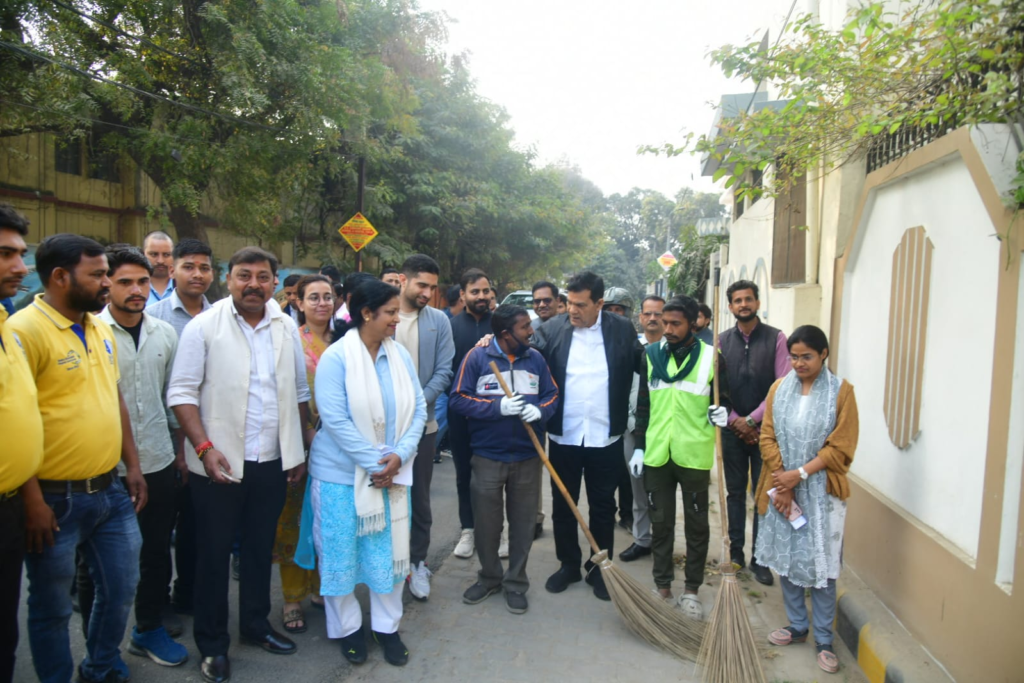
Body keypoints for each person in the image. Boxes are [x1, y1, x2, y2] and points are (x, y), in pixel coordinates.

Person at [167, 247, 314, 683]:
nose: (254, 284)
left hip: (271, 461)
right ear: (228, 279)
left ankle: (254, 625)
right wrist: (203, 447)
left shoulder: (285, 327)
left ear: (274, 282)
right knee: (213, 555)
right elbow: (181, 393)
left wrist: (298, 450)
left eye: (263, 277)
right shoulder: (203, 326)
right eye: (244, 275)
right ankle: (213, 644)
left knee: (258, 549)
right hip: (218, 464)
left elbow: (298, 392)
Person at [10, 233, 148, 683]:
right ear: (60, 277)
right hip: (54, 500)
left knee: (121, 588)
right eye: (98, 275)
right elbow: (14, 422)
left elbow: (114, 399)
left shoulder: (98, 327)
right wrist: (32, 500)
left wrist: (132, 466)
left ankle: (100, 666)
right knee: (51, 606)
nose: (107, 283)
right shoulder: (23, 331)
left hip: (110, 490)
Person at [296, 279, 426, 667]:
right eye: (390, 313)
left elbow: (419, 409)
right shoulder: (337, 357)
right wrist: (376, 463)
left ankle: (387, 627)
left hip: (392, 472)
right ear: (366, 313)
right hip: (339, 475)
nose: (396, 320)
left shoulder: (399, 356)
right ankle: (348, 629)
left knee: (388, 553)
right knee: (339, 552)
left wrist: (399, 455)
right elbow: (335, 420)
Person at [532, 271, 648, 601]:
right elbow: (525, 357)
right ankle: (568, 564)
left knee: (602, 507)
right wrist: (492, 341)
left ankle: (599, 568)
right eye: (569, 302)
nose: (572, 310)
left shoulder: (621, 329)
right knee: (563, 505)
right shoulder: (551, 330)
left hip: (605, 437)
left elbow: (644, 365)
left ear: (599, 304)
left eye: (581, 305)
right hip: (564, 435)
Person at [96, 246, 186, 666]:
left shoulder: (163, 333)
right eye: (125, 282)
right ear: (107, 284)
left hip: (158, 460)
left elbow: (171, 400)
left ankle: (148, 629)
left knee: (155, 552)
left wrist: (181, 453)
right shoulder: (92, 333)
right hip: (104, 467)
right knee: (99, 566)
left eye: (143, 282)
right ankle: (100, 652)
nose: (136, 290)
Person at [755, 325, 858, 675]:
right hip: (783, 487)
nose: (799, 363)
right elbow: (767, 435)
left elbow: (840, 447)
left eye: (807, 357)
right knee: (788, 560)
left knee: (823, 567)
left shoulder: (841, 393)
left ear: (824, 354)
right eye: (794, 357)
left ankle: (824, 639)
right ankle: (798, 625)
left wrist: (798, 475)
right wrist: (782, 481)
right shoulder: (778, 388)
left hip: (821, 491)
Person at [450, 304, 558, 615]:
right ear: (506, 334)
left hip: (528, 456)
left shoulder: (535, 359)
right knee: (487, 524)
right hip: (487, 456)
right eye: (525, 327)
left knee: (523, 525)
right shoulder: (477, 358)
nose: (531, 331)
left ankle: (516, 583)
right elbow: (458, 398)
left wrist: (540, 411)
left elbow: (552, 394)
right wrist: (496, 408)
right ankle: (489, 578)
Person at [634, 296, 731, 620]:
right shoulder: (650, 355)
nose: (668, 329)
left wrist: (723, 412)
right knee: (660, 523)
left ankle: (691, 590)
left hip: (694, 455)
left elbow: (724, 399)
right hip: (657, 453)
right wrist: (639, 446)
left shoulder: (711, 358)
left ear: (693, 323)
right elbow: (644, 404)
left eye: (676, 323)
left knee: (697, 526)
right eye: (665, 322)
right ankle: (662, 586)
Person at [146, 237, 214, 617]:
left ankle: (186, 595)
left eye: (204, 267)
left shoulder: (222, 317)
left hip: (205, 442)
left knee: (195, 527)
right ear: (173, 271)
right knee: (157, 533)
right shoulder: (153, 317)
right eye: (189, 266)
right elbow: (151, 389)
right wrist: (175, 448)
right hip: (162, 443)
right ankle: (154, 610)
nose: (197, 274)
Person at [390, 255, 455, 601]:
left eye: (432, 287)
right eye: (422, 285)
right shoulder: (383, 314)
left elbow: (444, 371)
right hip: (382, 429)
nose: (428, 293)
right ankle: (386, 565)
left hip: (424, 427)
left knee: (419, 499)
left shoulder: (438, 321)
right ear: (403, 280)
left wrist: (416, 406)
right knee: (383, 498)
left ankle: (417, 563)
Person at [718, 279, 789, 586]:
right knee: (734, 493)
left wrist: (753, 420)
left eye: (748, 299)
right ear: (730, 306)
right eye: (738, 300)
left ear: (758, 303)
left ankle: (761, 560)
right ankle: (736, 554)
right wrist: (737, 420)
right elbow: (716, 389)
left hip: (766, 433)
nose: (743, 304)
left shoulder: (776, 339)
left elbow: (781, 386)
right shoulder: (722, 341)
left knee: (763, 496)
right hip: (732, 432)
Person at [274, 275, 334, 634]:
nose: (321, 303)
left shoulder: (345, 340)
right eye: (313, 297)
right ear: (298, 302)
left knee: (328, 520)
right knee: (294, 521)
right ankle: (292, 597)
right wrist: (304, 434)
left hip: (336, 449)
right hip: (300, 443)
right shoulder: (290, 342)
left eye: (327, 296)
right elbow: (285, 395)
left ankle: (321, 587)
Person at [0, 204, 44, 683]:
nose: (20, 266)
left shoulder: (5, 323)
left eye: (19, 253)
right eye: (5, 254)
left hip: (12, 503)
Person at [447, 268, 496, 559]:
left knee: (497, 475)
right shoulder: (451, 327)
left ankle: (498, 531)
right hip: (461, 415)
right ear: (462, 295)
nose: (481, 296)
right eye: (475, 291)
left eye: (485, 291)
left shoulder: (500, 325)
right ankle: (468, 529)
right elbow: (445, 370)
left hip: (496, 415)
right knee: (464, 473)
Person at [618, 295, 666, 564]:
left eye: (658, 314)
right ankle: (642, 539)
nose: (652, 318)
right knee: (637, 488)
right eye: (648, 314)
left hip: (664, 431)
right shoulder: (631, 348)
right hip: (633, 428)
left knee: (662, 491)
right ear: (640, 317)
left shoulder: (673, 350)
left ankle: (663, 542)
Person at [602, 287, 636, 534]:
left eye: (619, 310)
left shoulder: (630, 338)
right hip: (602, 416)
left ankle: (628, 514)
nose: (615, 314)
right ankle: (606, 514)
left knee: (626, 471)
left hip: (628, 415)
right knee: (605, 473)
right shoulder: (593, 338)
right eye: (610, 309)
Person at [143, 231, 175, 305]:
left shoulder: (183, 287)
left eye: (166, 255)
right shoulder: (135, 288)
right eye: (154, 254)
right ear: (143, 254)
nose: (160, 261)